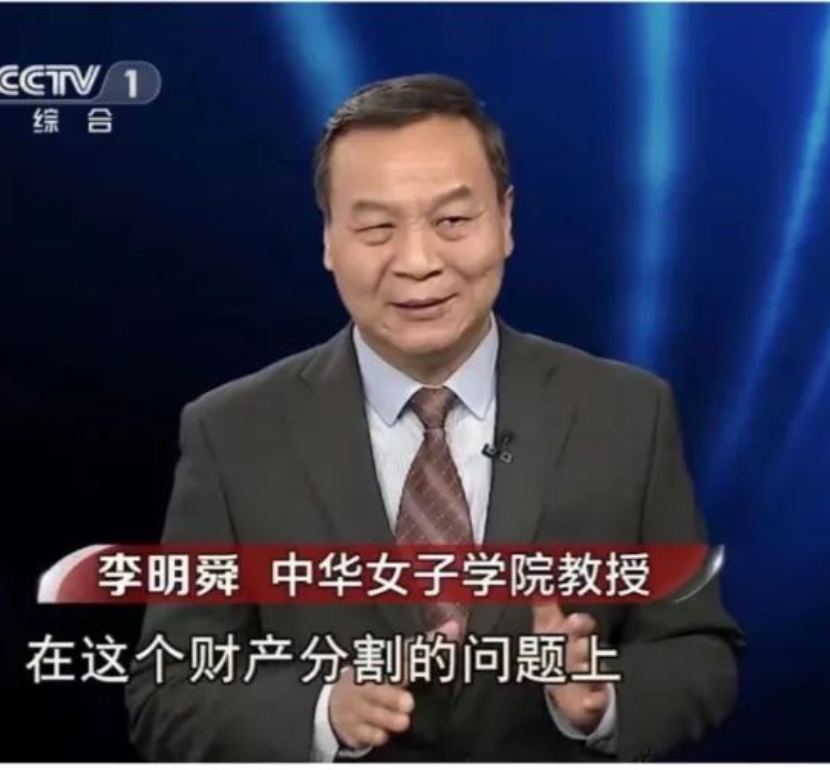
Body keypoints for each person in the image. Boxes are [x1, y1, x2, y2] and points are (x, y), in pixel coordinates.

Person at [124, 73, 743, 762]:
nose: (417, 262)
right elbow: (167, 690)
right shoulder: (234, 432)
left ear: (505, 220)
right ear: (328, 239)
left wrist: (605, 699)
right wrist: (325, 712)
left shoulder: (625, 413)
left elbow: (697, 648)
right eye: (376, 228)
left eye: (452, 222)